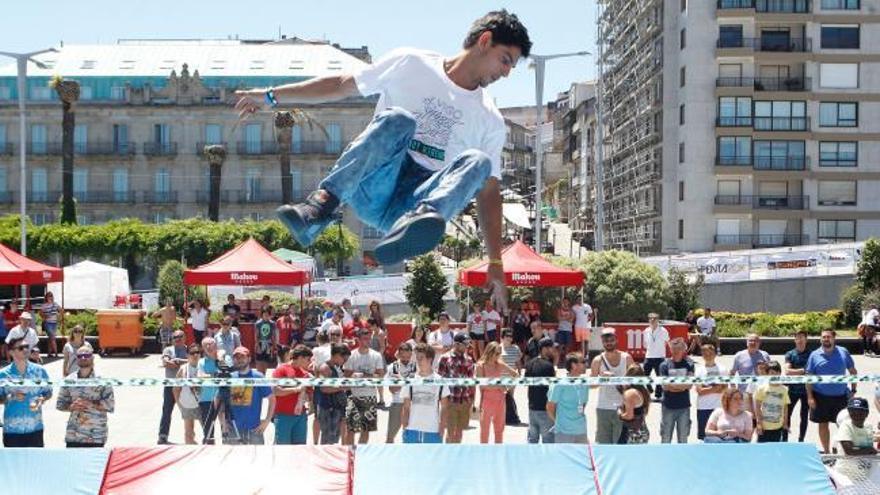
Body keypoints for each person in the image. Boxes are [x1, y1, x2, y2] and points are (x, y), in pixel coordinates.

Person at [237, 11, 529, 314]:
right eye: (505, 59)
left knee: (479, 162)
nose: (506, 73)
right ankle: (320, 206)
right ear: (485, 41)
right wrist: (270, 97)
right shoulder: (411, 62)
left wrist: (496, 262)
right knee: (399, 119)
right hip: (375, 184)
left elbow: (490, 191)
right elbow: (340, 84)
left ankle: (420, 220)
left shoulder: (489, 118)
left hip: (416, 202)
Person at [806, 329, 857, 454]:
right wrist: (810, 397)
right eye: (823, 337)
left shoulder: (843, 352)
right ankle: (827, 452)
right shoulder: (814, 355)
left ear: (834, 338)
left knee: (844, 425)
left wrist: (854, 390)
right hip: (820, 396)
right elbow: (808, 377)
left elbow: (853, 372)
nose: (825, 339)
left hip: (841, 396)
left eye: (828, 337)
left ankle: (844, 452)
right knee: (823, 425)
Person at [55, 344, 114, 447]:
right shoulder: (69, 380)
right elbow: (60, 404)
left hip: (95, 435)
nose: (83, 358)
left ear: (92, 357)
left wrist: (90, 403)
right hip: (74, 434)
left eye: (86, 355)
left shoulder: (102, 380)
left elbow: (110, 405)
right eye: (80, 355)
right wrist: (71, 407)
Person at [0, 337, 52, 447]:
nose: (25, 350)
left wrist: (42, 399)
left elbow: (48, 391)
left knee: (35, 463)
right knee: (14, 464)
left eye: (27, 347)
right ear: (11, 352)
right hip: (12, 430)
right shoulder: (3, 374)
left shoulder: (40, 371)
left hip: (35, 428)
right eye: (21, 348)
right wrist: (11, 396)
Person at [591, 327, 635, 444]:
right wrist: (602, 379)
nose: (608, 343)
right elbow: (591, 385)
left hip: (622, 408)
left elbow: (635, 382)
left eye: (611, 340)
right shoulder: (597, 360)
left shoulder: (627, 358)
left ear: (616, 340)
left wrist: (622, 382)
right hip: (603, 407)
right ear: (602, 342)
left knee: (621, 445)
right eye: (606, 340)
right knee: (603, 445)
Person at [400, 344, 451, 443]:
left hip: (433, 431)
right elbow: (406, 407)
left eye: (421, 358)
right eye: (417, 358)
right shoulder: (410, 380)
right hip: (412, 430)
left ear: (430, 359)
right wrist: (404, 427)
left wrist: (441, 428)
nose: (418, 361)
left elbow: (444, 407)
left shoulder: (440, 380)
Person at [343, 328, 386, 444]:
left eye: (368, 339)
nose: (367, 341)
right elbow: (346, 375)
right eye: (364, 339)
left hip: (370, 396)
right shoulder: (351, 355)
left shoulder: (376, 355)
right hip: (353, 396)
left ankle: (361, 454)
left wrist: (364, 375)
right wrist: (353, 375)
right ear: (358, 340)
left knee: (365, 429)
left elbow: (380, 376)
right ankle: (350, 456)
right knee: (350, 429)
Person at [228, 346, 276, 444]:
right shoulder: (229, 377)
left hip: (254, 429)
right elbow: (218, 399)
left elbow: (272, 399)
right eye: (237, 357)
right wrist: (222, 422)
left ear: (249, 359)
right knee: (232, 458)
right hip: (233, 429)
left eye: (242, 357)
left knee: (257, 458)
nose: (239, 360)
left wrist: (267, 421)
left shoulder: (258, 377)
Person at [438, 332, 476, 443]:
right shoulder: (445, 358)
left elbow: (471, 382)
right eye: (465, 344)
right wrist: (442, 401)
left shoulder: (469, 360)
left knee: (459, 432)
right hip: (450, 401)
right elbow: (439, 381)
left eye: (468, 344)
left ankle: (457, 456)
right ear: (457, 344)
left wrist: (472, 400)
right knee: (450, 433)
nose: (467, 346)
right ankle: (449, 456)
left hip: (464, 401)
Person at [476, 341, 517, 443]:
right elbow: (482, 386)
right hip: (486, 401)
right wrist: (499, 386)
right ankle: (484, 454)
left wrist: (508, 386)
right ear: (489, 352)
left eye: (500, 353)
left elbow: (515, 374)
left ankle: (498, 454)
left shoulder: (499, 364)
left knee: (499, 430)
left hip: (500, 400)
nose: (498, 356)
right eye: (497, 353)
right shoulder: (480, 366)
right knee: (484, 431)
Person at [273, 344, 313, 445]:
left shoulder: (306, 374)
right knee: (283, 449)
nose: (310, 362)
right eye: (308, 359)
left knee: (300, 449)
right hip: (283, 415)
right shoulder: (281, 369)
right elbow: (275, 391)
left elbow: (309, 395)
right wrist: (295, 389)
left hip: (300, 416)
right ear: (300, 358)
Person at [547, 352, 590, 444]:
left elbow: (583, 405)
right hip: (563, 432)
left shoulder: (584, 383)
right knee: (563, 458)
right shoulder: (559, 384)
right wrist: (559, 422)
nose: (586, 364)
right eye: (583, 362)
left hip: (581, 431)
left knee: (582, 458)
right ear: (574, 365)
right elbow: (550, 407)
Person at [658, 338, 694, 444]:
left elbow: (689, 385)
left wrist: (674, 386)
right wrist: (681, 387)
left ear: (683, 350)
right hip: (668, 407)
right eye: (674, 349)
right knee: (665, 437)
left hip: (684, 407)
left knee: (683, 438)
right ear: (670, 350)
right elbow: (665, 386)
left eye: (679, 349)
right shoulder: (664, 365)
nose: (676, 351)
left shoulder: (689, 364)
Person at [317, 343, 351, 444]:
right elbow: (324, 388)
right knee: (327, 439)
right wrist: (342, 387)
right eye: (344, 359)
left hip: (336, 407)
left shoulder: (336, 368)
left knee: (334, 438)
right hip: (327, 408)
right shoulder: (325, 368)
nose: (344, 362)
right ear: (337, 355)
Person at [158, 330, 188, 444]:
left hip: (184, 386)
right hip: (170, 386)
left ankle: (191, 436)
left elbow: (193, 361)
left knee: (190, 411)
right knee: (166, 411)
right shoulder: (168, 349)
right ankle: (162, 435)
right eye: (175, 337)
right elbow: (165, 361)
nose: (178, 339)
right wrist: (168, 361)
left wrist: (179, 361)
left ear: (184, 337)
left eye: (180, 336)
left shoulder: (189, 349)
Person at [525, 337, 556, 444]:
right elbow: (553, 388)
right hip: (545, 410)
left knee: (532, 442)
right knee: (548, 442)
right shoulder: (548, 366)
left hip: (532, 408)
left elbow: (526, 383)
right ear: (545, 349)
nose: (553, 351)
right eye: (551, 348)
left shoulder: (529, 364)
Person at [385, 342, 417, 443]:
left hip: (413, 404)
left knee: (410, 436)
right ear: (398, 354)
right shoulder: (392, 367)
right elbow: (392, 389)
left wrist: (401, 381)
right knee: (390, 435)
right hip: (397, 402)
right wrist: (407, 382)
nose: (405, 359)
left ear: (411, 354)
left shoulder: (417, 367)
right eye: (403, 356)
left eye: (408, 356)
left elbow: (416, 388)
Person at [694, 344, 727, 441]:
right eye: (705, 353)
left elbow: (725, 388)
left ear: (715, 354)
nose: (708, 355)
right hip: (703, 407)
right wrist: (716, 388)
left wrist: (708, 389)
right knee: (704, 436)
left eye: (710, 353)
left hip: (719, 407)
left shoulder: (723, 369)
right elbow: (699, 391)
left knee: (720, 435)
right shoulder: (699, 370)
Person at [784, 330, 811, 442]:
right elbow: (787, 371)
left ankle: (801, 439)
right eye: (797, 338)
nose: (800, 340)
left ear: (806, 339)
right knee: (787, 415)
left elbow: (811, 371)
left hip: (807, 390)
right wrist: (803, 370)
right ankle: (784, 439)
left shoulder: (811, 354)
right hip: (792, 390)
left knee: (804, 417)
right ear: (794, 340)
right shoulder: (790, 354)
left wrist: (798, 371)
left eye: (802, 337)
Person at [754, 361, 790, 443]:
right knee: (762, 450)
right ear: (767, 374)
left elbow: (785, 407)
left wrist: (785, 423)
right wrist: (759, 423)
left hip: (778, 427)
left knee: (775, 449)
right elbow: (757, 407)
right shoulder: (761, 388)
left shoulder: (784, 389)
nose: (775, 375)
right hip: (764, 427)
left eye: (777, 372)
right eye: (772, 373)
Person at [173, 343, 202, 445]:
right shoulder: (183, 368)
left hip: (202, 404)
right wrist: (179, 404)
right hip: (187, 403)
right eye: (192, 353)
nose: (195, 355)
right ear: (187, 355)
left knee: (207, 432)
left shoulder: (204, 367)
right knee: (189, 433)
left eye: (197, 352)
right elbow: (176, 388)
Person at [617, 364, 651, 444]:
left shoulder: (630, 393)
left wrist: (619, 414)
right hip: (641, 430)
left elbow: (629, 416)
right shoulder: (643, 391)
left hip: (633, 434)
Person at [197, 337, 221, 444]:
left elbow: (226, 373)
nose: (208, 347)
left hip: (222, 397)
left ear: (216, 345)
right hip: (206, 398)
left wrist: (219, 359)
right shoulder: (201, 362)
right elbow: (201, 376)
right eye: (205, 345)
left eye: (210, 344)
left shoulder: (224, 358)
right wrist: (215, 375)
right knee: (208, 430)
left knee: (226, 426)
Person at [730, 333, 770, 398]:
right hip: (744, 392)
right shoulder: (739, 356)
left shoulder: (765, 355)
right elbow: (732, 373)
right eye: (750, 340)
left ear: (759, 343)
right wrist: (733, 388)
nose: (753, 342)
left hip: (762, 391)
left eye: (755, 341)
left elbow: (770, 373)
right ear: (747, 343)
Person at [642, 313, 669, 401]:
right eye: (650, 318)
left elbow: (667, 341)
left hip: (659, 356)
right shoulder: (646, 330)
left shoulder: (663, 330)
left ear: (658, 320)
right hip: (649, 356)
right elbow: (645, 343)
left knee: (659, 376)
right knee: (644, 375)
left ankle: (658, 395)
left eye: (654, 319)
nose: (652, 320)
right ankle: (649, 388)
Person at [500, 329, 522, 425]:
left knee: (510, 397)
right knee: (501, 398)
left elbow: (518, 362)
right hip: (500, 378)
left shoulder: (516, 348)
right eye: (507, 336)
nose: (509, 338)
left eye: (511, 336)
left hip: (512, 378)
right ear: (502, 337)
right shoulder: (498, 348)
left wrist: (520, 373)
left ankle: (511, 416)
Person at [254, 309, 278, 374]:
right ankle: (259, 375)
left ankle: (264, 374)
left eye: (267, 315)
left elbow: (273, 336)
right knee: (259, 360)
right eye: (264, 315)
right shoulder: (258, 323)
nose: (266, 316)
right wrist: (258, 345)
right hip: (260, 343)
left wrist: (274, 346)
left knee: (266, 361)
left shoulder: (272, 323)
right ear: (262, 315)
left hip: (269, 344)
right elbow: (256, 335)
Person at [39, 291, 60, 357]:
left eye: (51, 296)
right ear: (46, 297)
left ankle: (49, 353)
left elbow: (61, 310)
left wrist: (58, 316)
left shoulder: (55, 304)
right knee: (52, 338)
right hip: (48, 323)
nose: (50, 297)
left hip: (54, 323)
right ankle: (56, 353)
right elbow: (40, 313)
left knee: (50, 338)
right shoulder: (44, 305)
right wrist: (45, 316)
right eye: (49, 296)